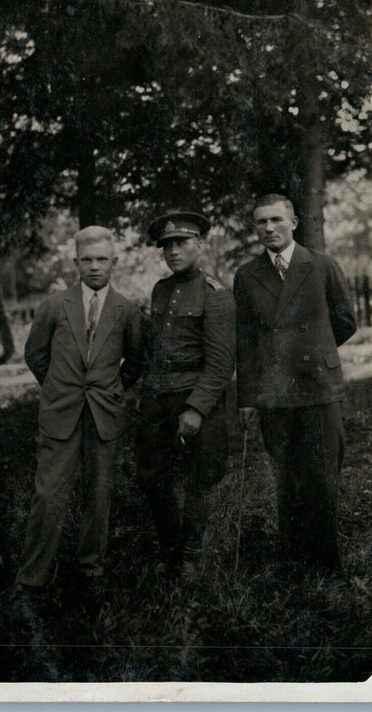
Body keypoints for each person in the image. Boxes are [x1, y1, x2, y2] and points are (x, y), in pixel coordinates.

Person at [15, 226, 142, 600]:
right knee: (48, 494)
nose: (95, 267)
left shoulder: (127, 310)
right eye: (87, 259)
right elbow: (35, 354)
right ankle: (33, 577)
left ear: (114, 262)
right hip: (61, 414)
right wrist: (58, 387)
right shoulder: (55, 306)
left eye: (102, 259)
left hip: (104, 414)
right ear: (75, 262)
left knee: (99, 495)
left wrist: (110, 390)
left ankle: (91, 570)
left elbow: (135, 361)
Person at [233, 194, 357, 574]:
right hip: (275, 394)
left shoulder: (320, 266)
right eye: (260, 222)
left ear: (294, 222)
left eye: (275, 220)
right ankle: (293, 564)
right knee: (285, 478)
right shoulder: (247, 275)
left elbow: (346, 321)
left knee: (321, 479)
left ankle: (328, 568)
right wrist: (248, 398)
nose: (268, 228)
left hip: (318, 389)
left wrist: (314, 353)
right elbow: (246, 340)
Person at [136, 211, 236, 577]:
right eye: (167, 245)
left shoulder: (217, 294)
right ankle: (170, 548)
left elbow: (221, 364)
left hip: (197, 399)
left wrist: (195, 409)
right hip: (159, 398)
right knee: (151, 477)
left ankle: (191, 556)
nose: (174, 251)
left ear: (199, 244)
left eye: (181, 243)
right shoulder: (160, 290)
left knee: (199, 478)